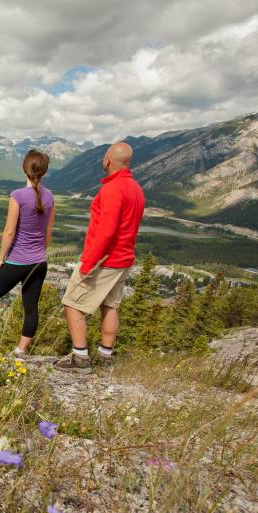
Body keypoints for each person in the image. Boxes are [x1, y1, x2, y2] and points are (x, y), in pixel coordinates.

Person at [54, 142, 145, 374]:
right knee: (110, 305)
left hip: (105, 260)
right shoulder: (135, 188)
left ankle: (80, 358)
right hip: (124, 258)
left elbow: (106, 230)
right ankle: (105, 355)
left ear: (108, 160)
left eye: (104, 157)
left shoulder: (113, 189)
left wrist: (87, 263)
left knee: (72, 304)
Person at [0, 149, 55, 359]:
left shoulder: (17, 195)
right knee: (31, 307)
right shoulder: (50, 197)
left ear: (24, 169)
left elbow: (9, 231)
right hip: (39, 262)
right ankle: (20, 351)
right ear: (44, 172)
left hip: (17, 261)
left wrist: (0, 260)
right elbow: (48, 232)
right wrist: (39, 253)